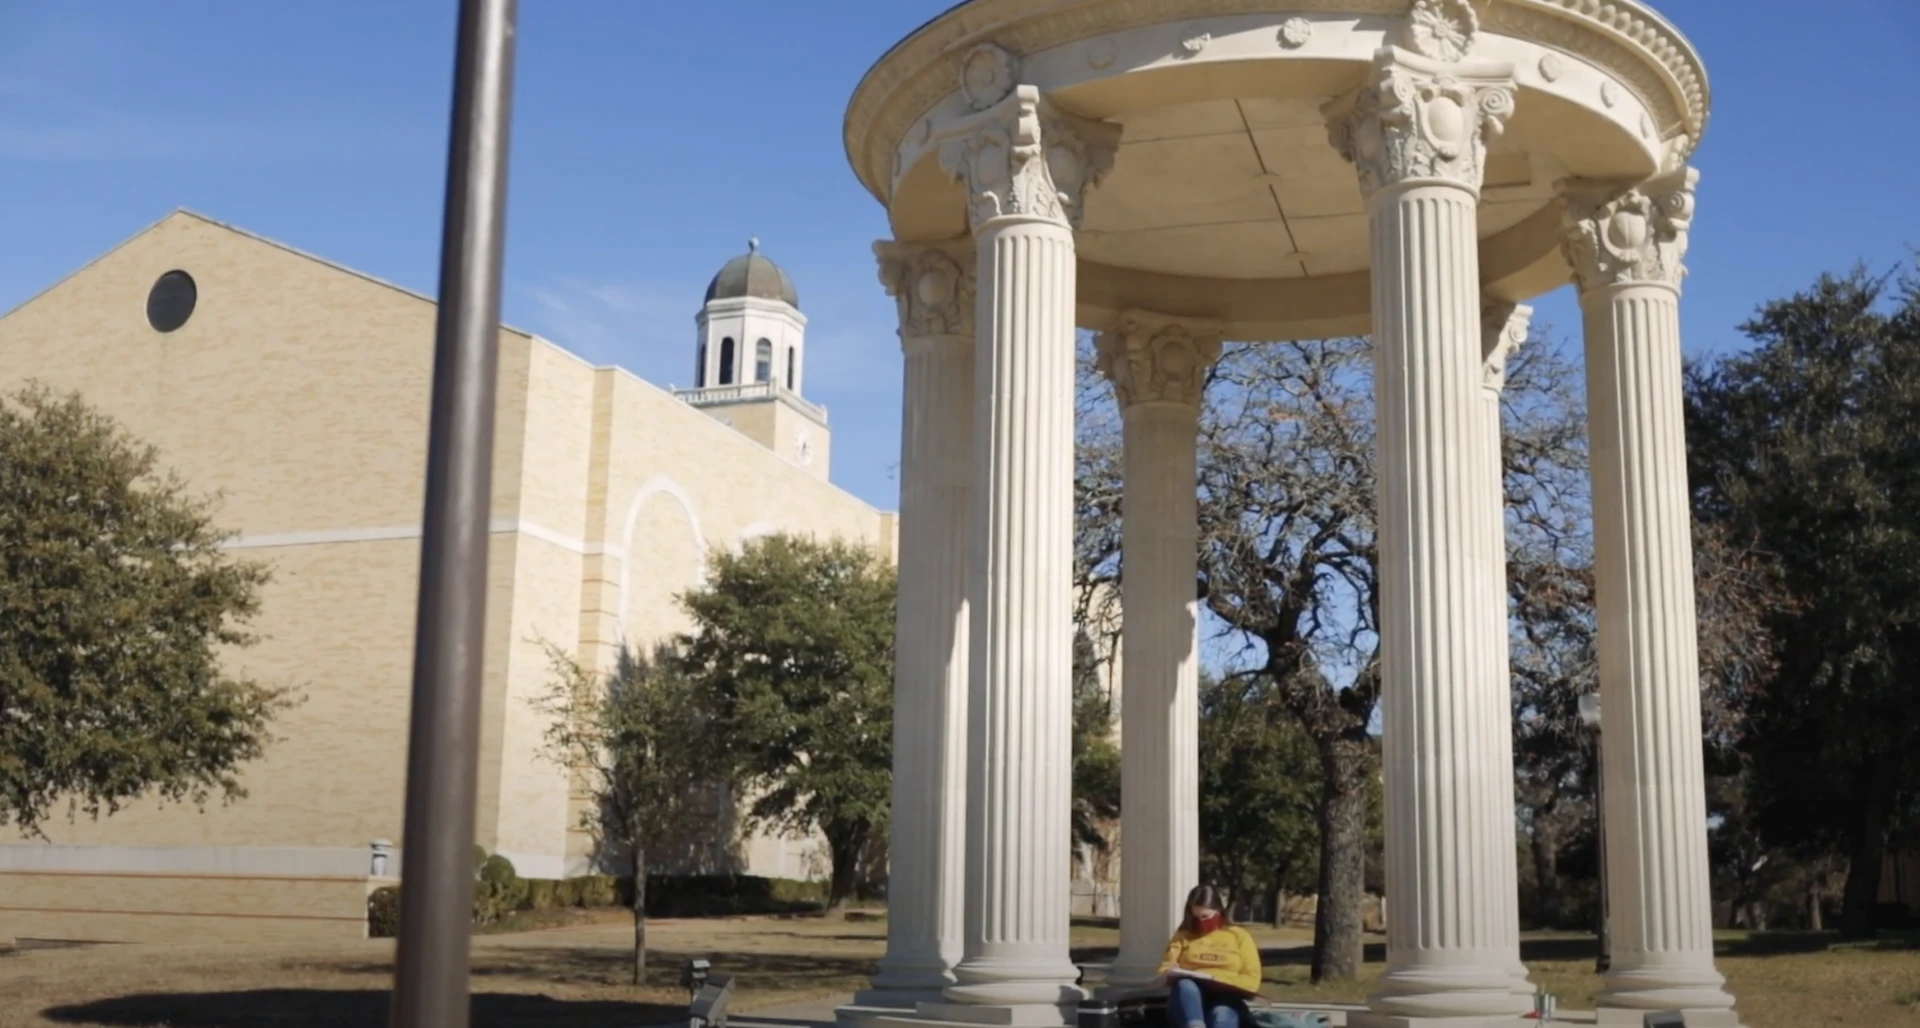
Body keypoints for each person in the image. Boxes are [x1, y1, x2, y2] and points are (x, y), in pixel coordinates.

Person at [1158, 885, 1262, 1028]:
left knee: (1221, 1015)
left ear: (1218, 911)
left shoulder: (1239, 936)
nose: (1200, 921)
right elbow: (1165, 966)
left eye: (1205, 916)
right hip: (1189, 1000)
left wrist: (1221, 981)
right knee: (1186, 985)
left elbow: (1252, 979)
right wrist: (1171, 969)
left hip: (1226, 998)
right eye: (1196, 917)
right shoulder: (1183, 935)